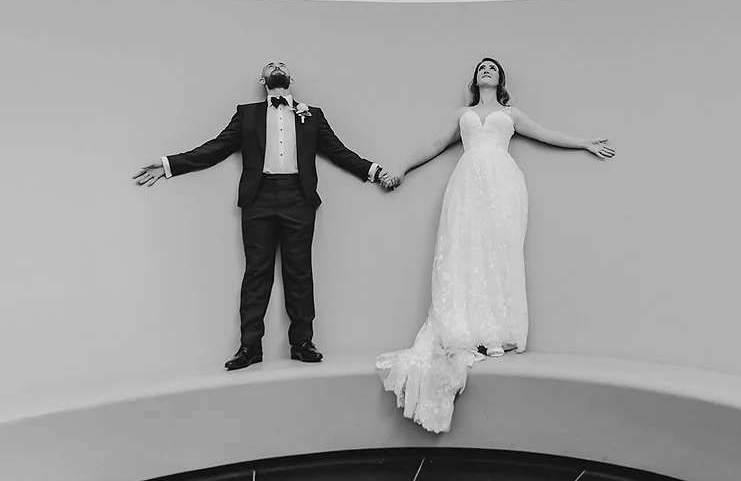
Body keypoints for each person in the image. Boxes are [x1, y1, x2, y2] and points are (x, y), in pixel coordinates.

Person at [376, 57, 615, 432]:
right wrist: (403, 169)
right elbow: (434, 144)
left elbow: (546, 133)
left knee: (499, 255)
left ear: (500, 79)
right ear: (476, 79)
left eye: (493, 68)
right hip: (467, 182)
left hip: (503, 184)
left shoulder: (511, 114)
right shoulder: (464, 114)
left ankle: (495, 332)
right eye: (481, 68)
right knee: (463, 251)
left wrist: (583, 142)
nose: (486, 70)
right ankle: (465, 329)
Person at [133, 61, 397, 370]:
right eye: (271, 66)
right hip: (259, 198)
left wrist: (376, 172)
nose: (277, 67)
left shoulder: (312, 114)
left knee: (299, 271)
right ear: (263, 80)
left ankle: (301, 343)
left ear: (290, 78)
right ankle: (249, 348)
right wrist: (168, 165)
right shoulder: (247, 114)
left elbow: (339, 151)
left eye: (281, 65)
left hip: (299, 198)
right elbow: (216, 148)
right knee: (256, 272)